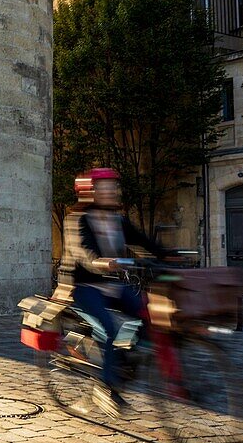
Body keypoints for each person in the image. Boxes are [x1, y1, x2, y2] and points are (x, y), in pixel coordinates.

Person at [61, 168, 169, 417]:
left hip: (112, 285)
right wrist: (102, 262)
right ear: (90, 191)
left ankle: (121, 361)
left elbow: (142, 242)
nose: (111, 191)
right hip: (83, 286)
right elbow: (83, 252)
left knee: (148, 313)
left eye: (113, 186)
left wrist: (167, 255)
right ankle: (106, 387)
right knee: (109, 328)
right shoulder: (76, 221)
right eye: (104, 187)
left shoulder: (117, 220)